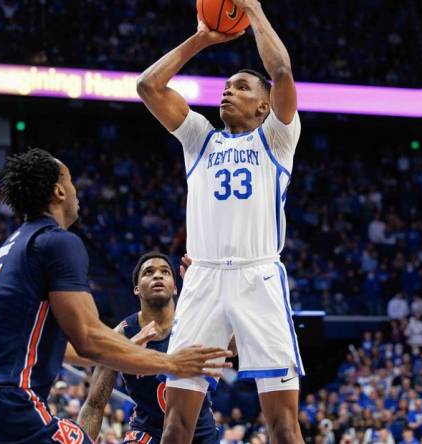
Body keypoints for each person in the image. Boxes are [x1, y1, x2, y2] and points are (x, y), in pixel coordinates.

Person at [0, 149, 230, 443]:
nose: (77, 191)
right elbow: (88, 338)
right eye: (72, 181)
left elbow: (48, 346)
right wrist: (172, 363)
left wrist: (125, 350)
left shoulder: (6, 251)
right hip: (4, 406)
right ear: (59, 190)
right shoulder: (57, 242)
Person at [137, 0, 303, 442]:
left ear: (263, 108)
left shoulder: (277, 138)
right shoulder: (199, 139)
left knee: (284, 425)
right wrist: (201, 38)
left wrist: (252, 8)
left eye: (243, 87)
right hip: (203, 281)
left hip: (258, 277)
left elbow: (282, 73)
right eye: (226, 86)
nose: (228, 91)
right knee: (175, 424)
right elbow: (148, 86)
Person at [76, 252, 220, 443]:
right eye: (149, 272)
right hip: (147, 432)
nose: (158, 276)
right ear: (137, 289)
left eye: (165, 272)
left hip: (199, 433)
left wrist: (206, 295)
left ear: (176, 288)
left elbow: (234, 348)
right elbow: (94, 404)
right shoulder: (121, 334)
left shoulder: (194, 322)